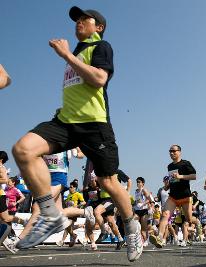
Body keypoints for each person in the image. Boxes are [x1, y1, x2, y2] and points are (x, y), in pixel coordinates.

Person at [11, 6, 142, 261]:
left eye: (84, 19)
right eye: (76, 20)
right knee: (23, 150)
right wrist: (70, 56)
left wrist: (66, 56)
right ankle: (50, 214)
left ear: (99, 27)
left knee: (108, 181)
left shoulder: (101, 47)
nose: (78, 23)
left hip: (94, 125)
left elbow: (99, 79)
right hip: (66, 123)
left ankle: (132, 226)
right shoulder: (77, 52)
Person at [149, 144, 196, 248]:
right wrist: (168, 186)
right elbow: (173, 179)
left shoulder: (185, 163)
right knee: (165, 215)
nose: (172, 153)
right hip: (173, 196)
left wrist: (181, 176)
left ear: (179, 152)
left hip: (185, 197)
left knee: (188, 219)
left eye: (174, 151)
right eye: (170, 151)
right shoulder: (170, 166)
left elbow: (194, 176)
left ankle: (195, 226)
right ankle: (160, 238)